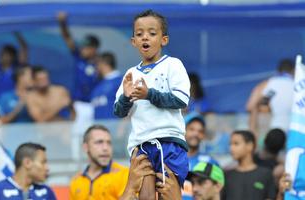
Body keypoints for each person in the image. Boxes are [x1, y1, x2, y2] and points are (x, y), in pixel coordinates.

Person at [114, 9, 190, 200]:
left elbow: (181, 100)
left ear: (164, 40)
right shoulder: (131, 74)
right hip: (141, 144)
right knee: (145, 196)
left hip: (169, 141)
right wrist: (125, 97)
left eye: (152, 33)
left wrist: (149, 94)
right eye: (139, 34)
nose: (145, 38)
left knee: (168, 194)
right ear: (133, 42)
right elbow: (119, 111)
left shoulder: (173, 65)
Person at [69, 125, 129, 200]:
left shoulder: (124, 175)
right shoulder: (76, 181)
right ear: (86, 147)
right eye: (99, 142)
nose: (105, 148)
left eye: (109, 143)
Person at [221, 130, 276, 200]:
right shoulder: (227, 175)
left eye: (236, 144)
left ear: (250, 146)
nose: (231, 148)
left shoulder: (265, 174)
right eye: (230, 144)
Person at [58, 12, 100, 102]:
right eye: (82, 46)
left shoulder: (101, 63)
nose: (82, 49)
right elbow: (67, 37)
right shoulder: (78, 57)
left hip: (94, 102)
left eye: (86, 47)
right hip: (79, 102)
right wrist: (62, 23)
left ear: (94, 49)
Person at [247, 59, 294, 135]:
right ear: (293, 71)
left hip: (275, 130)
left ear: (278, 70)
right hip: (297, 131)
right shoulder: (299, 85)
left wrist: (253, 132)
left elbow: (250, 106)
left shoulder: (268, 84)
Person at [183, 112, 219, 200]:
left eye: (200, 131)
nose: (196, 134)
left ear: (203, 135)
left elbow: (216, 193)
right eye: (192, 129)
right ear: (183, 130)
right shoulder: (171, 160)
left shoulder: (211, 162)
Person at [0, 33, 28, 101]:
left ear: (13, 57)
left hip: (11, 104)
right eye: (2, 54)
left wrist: (17, 33)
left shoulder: (17, 69)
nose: (4, 57)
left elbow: (24, 48)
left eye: (7, 55)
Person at [91, 52, 122, 119]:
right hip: (99, 127)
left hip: (115, 127)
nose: (96, 67)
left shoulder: (121, 81)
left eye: (97, 64)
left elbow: (129, 107)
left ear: (104, 64)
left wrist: (121, 128)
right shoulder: (97, 86)